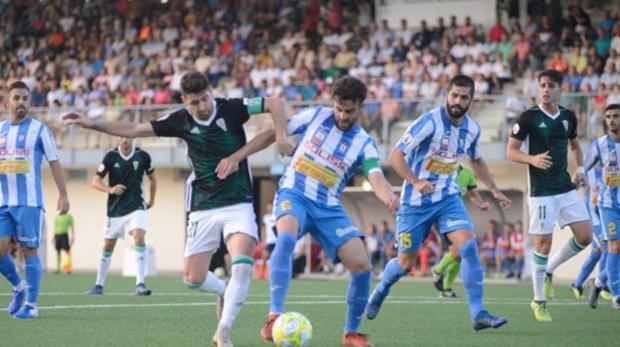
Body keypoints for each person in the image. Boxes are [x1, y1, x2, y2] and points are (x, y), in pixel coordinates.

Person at [63, 71, 291, 347]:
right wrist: (92, 125)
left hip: (238, 201)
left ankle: (224, 332)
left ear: (211, 92)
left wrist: (274, 139)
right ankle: (222, 291)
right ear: (185, 101)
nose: (202, 106)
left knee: (242, 265)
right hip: (203, 206)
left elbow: (275, 103)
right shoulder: (179, 121)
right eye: (194, 102)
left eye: (205, 99)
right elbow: (135, 130)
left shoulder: (232, 107)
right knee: (193, 279)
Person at [259, 75, 399, 347]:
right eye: (339, 108)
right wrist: (273, 140)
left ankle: (350, 334)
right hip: (294, 193)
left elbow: (374, 174)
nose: (342, 116)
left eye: (349, 111)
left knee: (362, 267)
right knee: (286, 238)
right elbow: (281, 128)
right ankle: (274, 316)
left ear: (361, 108)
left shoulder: (364, 142)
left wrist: (388, 195)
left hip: (328, 207)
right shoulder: (316, 116)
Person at [366, 75, 511, 331]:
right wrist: (416, 181)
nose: (457, 101)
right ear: (447, 94)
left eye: (464, 97)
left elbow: (476, 160)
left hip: (447, 199)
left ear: (471, 101)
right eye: (454, 95)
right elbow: (395, 155)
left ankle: (478, 313)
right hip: (415, 203)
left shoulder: (472, 129)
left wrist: (494, 189)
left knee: (468, 247)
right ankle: (380, 290)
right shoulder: (429, 122)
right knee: (404, 264)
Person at [507, 69, 593, 322]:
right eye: (542, 85)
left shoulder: (568, 117)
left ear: (560, 89)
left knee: (586, 236)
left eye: (551, 85)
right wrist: (531, 158)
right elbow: (511, 151)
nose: (545, 89)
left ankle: (549, 272)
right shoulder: (528, 118)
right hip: (541, 191)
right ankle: (538, 300)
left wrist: (580, 168)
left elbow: (575, 146)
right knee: (543, 245)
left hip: (565, 187)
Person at [0, 81, 70, 319]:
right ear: (8, 102)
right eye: (17, 98)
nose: (22, 102)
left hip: (30, 202)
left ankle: (31, 306)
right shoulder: (0, 130)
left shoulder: (39, 130)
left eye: (26, 98)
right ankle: (18, 287)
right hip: (3, 202)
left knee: (30, 251)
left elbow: (54, 162)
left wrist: (63, 194)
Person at [84, 137, 157, 296]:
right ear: (117, 138)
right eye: (121, 137)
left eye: (128, 137)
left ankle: (140, 283)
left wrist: (151, 200)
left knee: (139, 236)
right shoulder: (110, 157)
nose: (125, 140)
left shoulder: (143, 156)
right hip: (115, 209)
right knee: (108, 245)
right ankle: (99, 285)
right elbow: (95, 181)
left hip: (137, 205)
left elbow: (153, 178)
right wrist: (110, 189)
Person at [432, 164, 491, 298]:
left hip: (457, 216)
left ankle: (446, 288)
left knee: (460, 253)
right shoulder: (440, 169)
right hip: (440, 215)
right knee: (457, 252)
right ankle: (438, 270)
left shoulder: (468, 174)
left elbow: (473, 194)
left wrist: (481, 204)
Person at [584, 103, 620, 309]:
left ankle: (597, 283)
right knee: (615, 246)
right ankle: (616, 296)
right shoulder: (600, 145)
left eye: (616, 116)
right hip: (609, 205)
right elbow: (583, 166)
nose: (612, 120)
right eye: (608, 117)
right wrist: (578, 177)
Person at [571, 165, 606, 298]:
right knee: (607, 249)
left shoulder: (612, 167)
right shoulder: (586, 169)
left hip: (606, 217)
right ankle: (603, 287)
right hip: (593, 218)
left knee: (596, 254)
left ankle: (577, 283)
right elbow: (572, 187)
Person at [257, 203, 276, 279]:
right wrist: (262, 240)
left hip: (276, 241)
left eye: (271, 206)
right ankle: (262, 273)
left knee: (274, 259)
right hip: (269, 241)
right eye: (268, 206)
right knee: (264, 256)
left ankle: (273, 275)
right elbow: (263, 229)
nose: (269, 208)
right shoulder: (265, 218)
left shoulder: (276, 216)